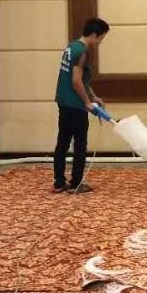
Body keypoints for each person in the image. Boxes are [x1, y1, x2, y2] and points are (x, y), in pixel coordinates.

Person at [53, 18, 109, 194]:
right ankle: (76, 183)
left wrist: (93, 96)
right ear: (94, 34)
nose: (100, 42)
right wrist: (86, 102)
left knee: (62, 143)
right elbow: (76, 81)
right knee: (79, 145)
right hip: (75, 105)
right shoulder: (83, 52)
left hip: (63, 101)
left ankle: (59, 183)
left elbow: (82, 80)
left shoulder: (71, 47)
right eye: (101, 38)